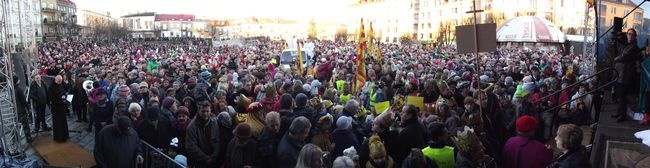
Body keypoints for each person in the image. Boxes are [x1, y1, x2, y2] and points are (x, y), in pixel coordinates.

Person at [612, 28, 641, 122]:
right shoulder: (625, 44)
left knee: (623, 96)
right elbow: (619, 50)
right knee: (619, 96)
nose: (630, 36)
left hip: (625, 75)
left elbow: (624, 56)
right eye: (628, 34)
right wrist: (617, 39)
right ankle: (619, 113)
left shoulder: (634, 47)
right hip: (619, 73)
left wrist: (615, 59)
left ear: (635, 36)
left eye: (632, 34)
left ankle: (622, 116)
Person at [185, 100, 220, 168]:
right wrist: (206, 158)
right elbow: (191, 146)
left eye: (207, 111)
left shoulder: (214, 122)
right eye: (203, 111)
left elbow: (217, 140)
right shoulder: (192, 127)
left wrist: (214, 155)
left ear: (210, 111)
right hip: (199, 162)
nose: (205, 114)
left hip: (213, 159)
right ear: (198, 111)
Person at [48, 75, 69, 142]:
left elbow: (64, 91)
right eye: (59, 81)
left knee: (63, 122)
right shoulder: (51, 88)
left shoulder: (61, 84)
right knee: (58, 123)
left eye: (61, 81)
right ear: (55, 80)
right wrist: (61, 99)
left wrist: (65, 97)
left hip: (62, 107)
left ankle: (65, 135)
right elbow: (52, 99)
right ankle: (59, 137)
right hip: (56, 108)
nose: (60, 82)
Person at [14, 76, 31, 142]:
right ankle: (29, 139)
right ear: (17, 81)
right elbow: (23, 100)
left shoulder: (13, 89)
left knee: (21, 124)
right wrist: (28, 108)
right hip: (21, 110)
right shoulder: (19, 89)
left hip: (17, 109)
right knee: (25, 125)